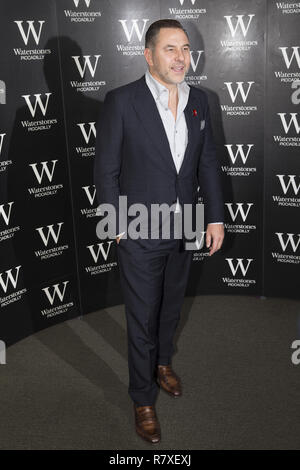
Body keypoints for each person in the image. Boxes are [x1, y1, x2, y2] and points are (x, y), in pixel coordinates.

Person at [94, 19, 224, 444]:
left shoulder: (201, 101)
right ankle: (142, 397)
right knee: (142, 316)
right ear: (148, 55)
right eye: (170, 49)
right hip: (138, 227)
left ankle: (163, 363)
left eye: (185, 49)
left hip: (185, 223)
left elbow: (207, 165)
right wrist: (115, 225)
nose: (181, 58)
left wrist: (215, 217)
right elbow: (106, 170)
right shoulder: (121, 101)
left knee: (171, 306)